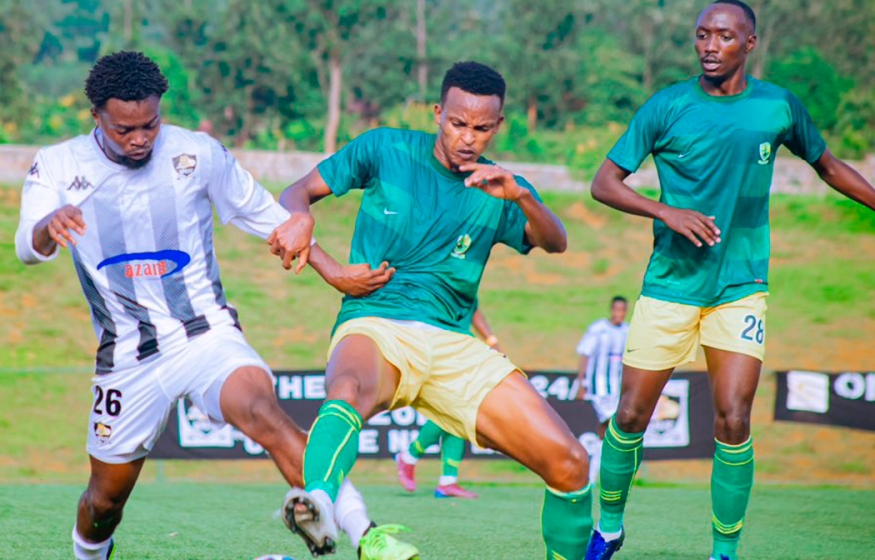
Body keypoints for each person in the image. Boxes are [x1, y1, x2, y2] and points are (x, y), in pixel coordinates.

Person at [14, 51, 408, 560]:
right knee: (104, 500)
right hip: (127, 357)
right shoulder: (58, 165)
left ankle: (366, 536)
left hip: (205, 335)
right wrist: (49, 227)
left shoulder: (197, 154)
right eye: (123, 129)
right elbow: (27, 246)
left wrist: (332, 271)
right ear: (96, 117)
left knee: (264, 411)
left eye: (150, 124)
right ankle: (90, 554)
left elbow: (272, 218)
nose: (139, 138)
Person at [584, 2, 875, 559]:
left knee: (734, 419)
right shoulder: (666, 106)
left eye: (723, 35)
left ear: (750, 43)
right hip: (669, 285)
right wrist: (665, 211)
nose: (709, 46)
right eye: (701, 35)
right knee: (628, 416)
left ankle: (724, 552)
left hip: (741, 286)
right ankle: (611, 528)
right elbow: (604, 183)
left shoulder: (777, 106)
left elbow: (830, 166)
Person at [268, 61, 593, 560]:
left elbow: (556, 242)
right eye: (458, 123)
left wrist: (523, 196)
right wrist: (317, 247)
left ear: (498, 126)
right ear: (439, 112)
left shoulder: (501, 187)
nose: (468, 137)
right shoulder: (384, 148)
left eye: (482, 128)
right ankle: (319, 504)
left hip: (453, 344)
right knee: (348, 389)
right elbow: (298, 193)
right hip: (375, 319)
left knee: (570, 464)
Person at [395, 309, 503, 499]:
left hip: (458, 347)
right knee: (455, 409)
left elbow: (472, 307)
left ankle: (447, 481)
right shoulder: (433, 285)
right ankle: (409, 456)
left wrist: (491, 340)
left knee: (459, 413)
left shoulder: (458, 285)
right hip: (435, 348)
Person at [574, 296, 629, 483]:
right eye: (617, 309)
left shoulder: (627, 331)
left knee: (609, 433)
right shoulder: (599, 329)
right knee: (608, 428)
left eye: (623, 310)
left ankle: (598, 473)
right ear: (611, 309)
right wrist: (581, 383)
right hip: (599, 389)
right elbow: (585, 354)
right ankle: (594, 475)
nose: (619, 314)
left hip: (617, 390)